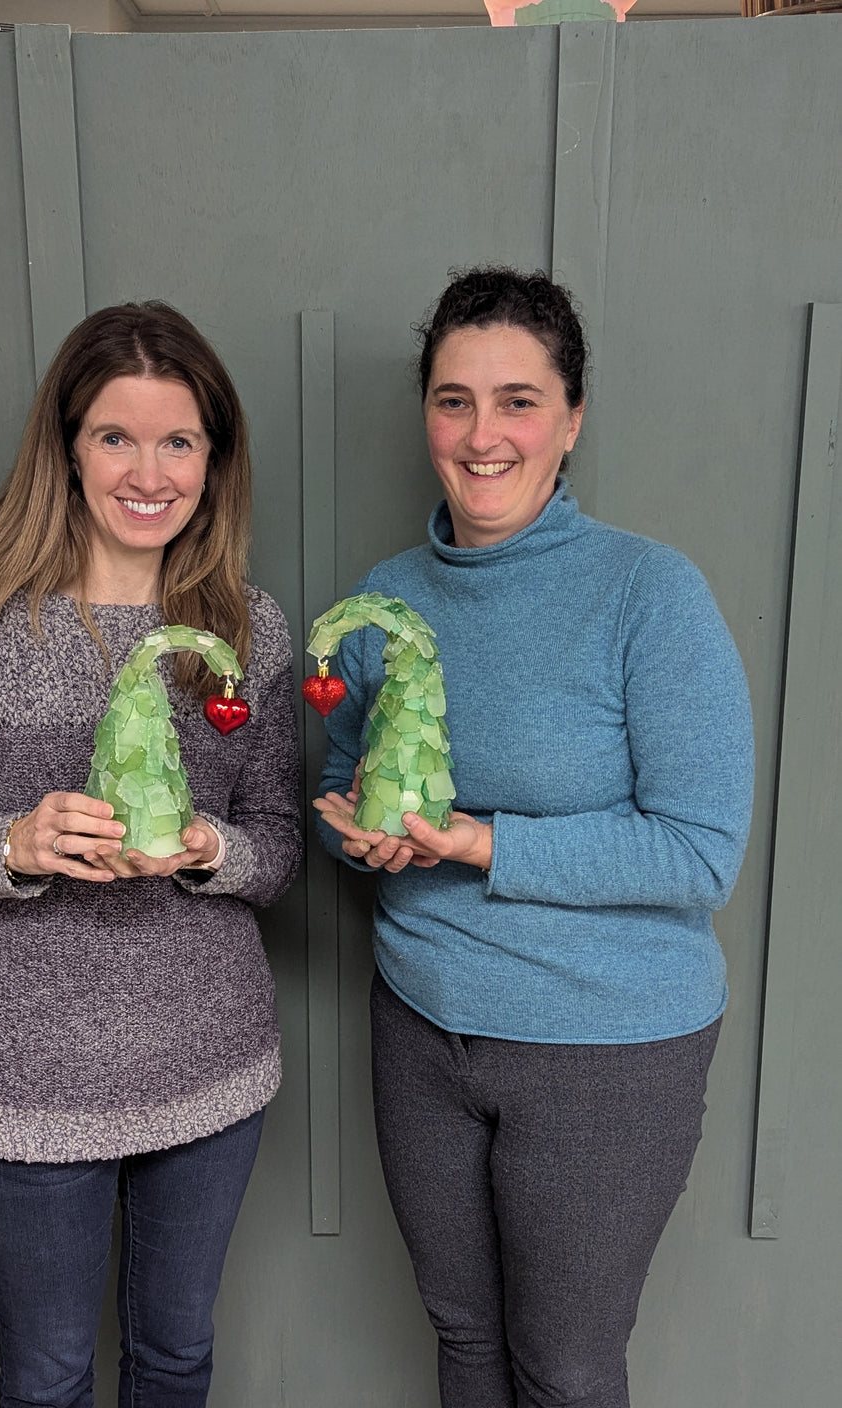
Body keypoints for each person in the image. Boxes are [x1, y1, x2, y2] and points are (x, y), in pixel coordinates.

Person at [314, 266, 754, 1408]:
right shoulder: (386, 600)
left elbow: (698, 850)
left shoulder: (649, 594)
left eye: (518, 401)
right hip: (421, 1028)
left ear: (571, 418)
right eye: (453, 401)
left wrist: (477, 845)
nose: (483, 435)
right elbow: (342, 785)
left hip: (606, 1047)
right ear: (426, 416)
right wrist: (361, 838)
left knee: (565, 1369)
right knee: (463, 1338)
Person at [0, 301, 302, 1408]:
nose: (148, 473)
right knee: (49, 1373)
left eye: (178, 440)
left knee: (178, 1356)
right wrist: (12, 845)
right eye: (116, 436)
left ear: (214, 458)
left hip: (209, 1065)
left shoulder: (248, 633)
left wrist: (210, 849)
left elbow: (281, 846)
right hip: (21, 1077)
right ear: (66, 447)